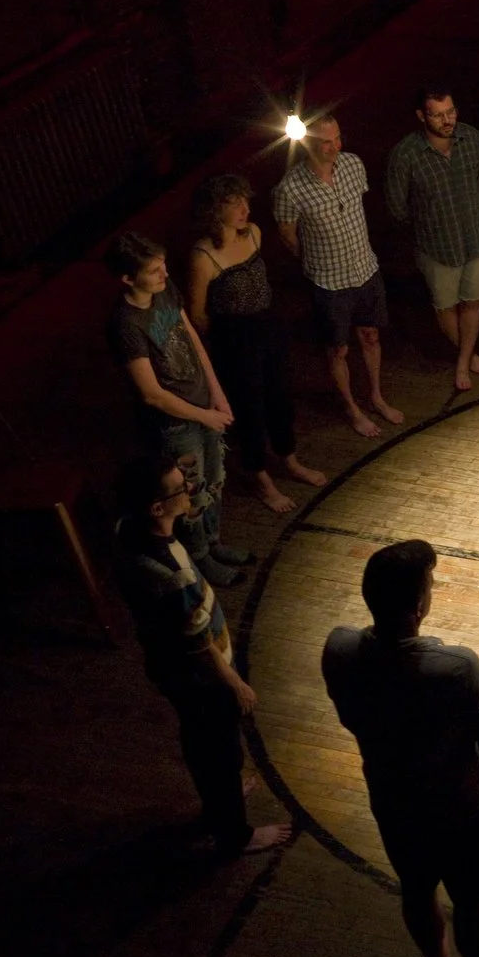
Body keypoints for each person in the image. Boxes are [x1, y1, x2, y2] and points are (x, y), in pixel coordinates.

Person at [322, 539, 479, 957]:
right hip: (461, 810)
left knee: (416, 890)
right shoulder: (455, 667)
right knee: (470, 899)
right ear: (420, 605)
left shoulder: (338, 648)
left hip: (393, 801)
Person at [112, 457, 291, 858]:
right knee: (219, 747)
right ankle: (234, 834)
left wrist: (184, 499)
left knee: (201, 740)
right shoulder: (174, 574)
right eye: (182, 488)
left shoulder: (127, 531)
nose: (190, 490)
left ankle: (220, 795)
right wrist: (235, 683)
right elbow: (196, 642)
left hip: (167, 664)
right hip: (200, 677)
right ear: (156, 507)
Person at [187, 175, 325, 514]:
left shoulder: (254, 233)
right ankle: (260, 479)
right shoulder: (203, 256)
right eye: (234, 203)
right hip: (234, 338)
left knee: (280, 398)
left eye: (245, 201)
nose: (244, 209)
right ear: (214, 209)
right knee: (249, 409)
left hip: (267, 326)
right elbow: (198, 313)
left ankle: (289, 459)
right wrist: (224, 346)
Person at [107, 231, 238, 563]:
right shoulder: (126, 324)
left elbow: (192, 341)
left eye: (163, 265)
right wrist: (205, 415)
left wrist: (217, 393)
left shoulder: (164, 292)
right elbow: (151, 394)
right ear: (128, 279)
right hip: (175, 426)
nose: (164, 273)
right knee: (188, 494)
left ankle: (214, 542)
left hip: (204, 406)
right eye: (154, 270)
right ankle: (200, 557)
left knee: (215, 481)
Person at [275, 110, 406, 439]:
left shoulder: (352, 165)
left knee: (371, 336)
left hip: (365, 270)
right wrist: (314, 258)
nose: (335, 147)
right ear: (307, 143)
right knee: (338, 349)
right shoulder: (290, 188)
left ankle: (376, 396)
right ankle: (351, 408)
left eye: (337, 139)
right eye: (326, 142)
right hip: (329, 282)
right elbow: (288, 234)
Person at [385, 89, 479, 392]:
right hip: (437, 247)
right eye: (437, 115)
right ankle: (466, 356)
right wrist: (428, 225)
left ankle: (465, 360)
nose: (447, 120)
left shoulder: (471, 138)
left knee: (473, 301)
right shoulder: (406, 155)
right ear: (422, 116)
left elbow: (478, 184)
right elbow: (397, 207)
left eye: (451, 112)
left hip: (474, 238)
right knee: (445, 307)